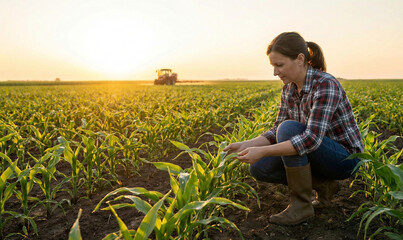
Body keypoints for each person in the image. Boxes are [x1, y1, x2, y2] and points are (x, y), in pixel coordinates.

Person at [223, 32, 363, 226]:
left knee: (288, 129)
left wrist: (262, 151)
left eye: (279, 65)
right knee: (259, 168)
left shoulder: (325, 84)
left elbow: (310, 140)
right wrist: (247, 144)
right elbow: (274, 132)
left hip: (344, 158)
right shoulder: (289, 89)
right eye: (273, 66)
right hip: (316, 153)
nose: (275, 72)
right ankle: (324, 186)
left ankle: (301, 206)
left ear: (300, 59)